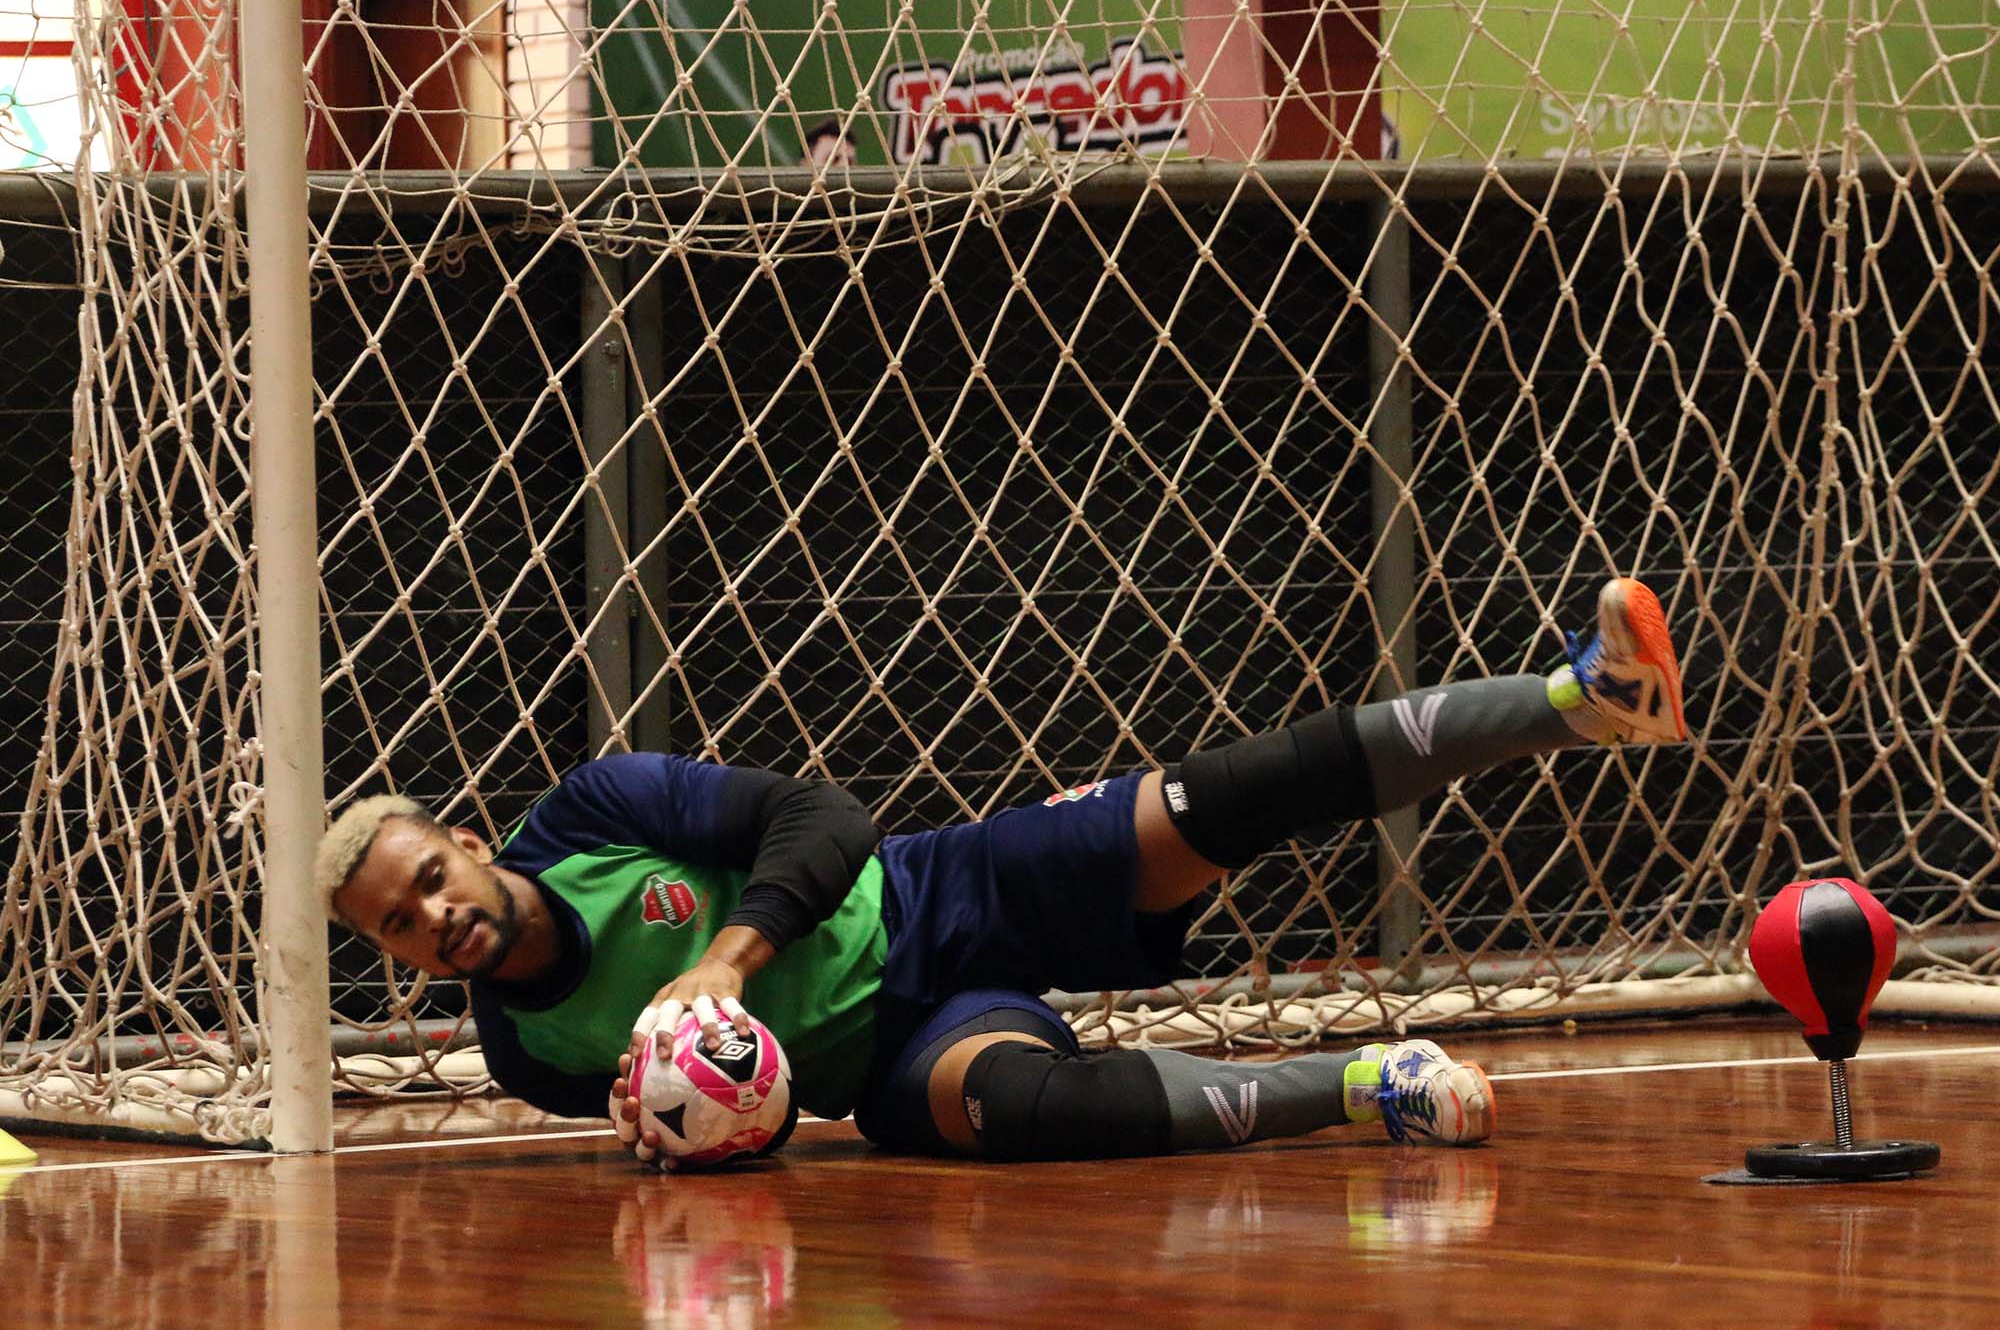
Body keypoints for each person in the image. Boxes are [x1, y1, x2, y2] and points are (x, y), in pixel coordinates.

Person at [314, 578, 1686, 1164]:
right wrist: (695, 1126)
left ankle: (1581, 698)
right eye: (400, 928)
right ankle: (1370, 1082)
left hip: (935, 889)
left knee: (1220, 799)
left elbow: (826, 817)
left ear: (468, 843)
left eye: (428, 879)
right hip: (894, 1059)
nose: (434, 918)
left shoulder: (595, 810)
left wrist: (721, 966)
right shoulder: (529, 1052)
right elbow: (743, 1132)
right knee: (1018, 1112)